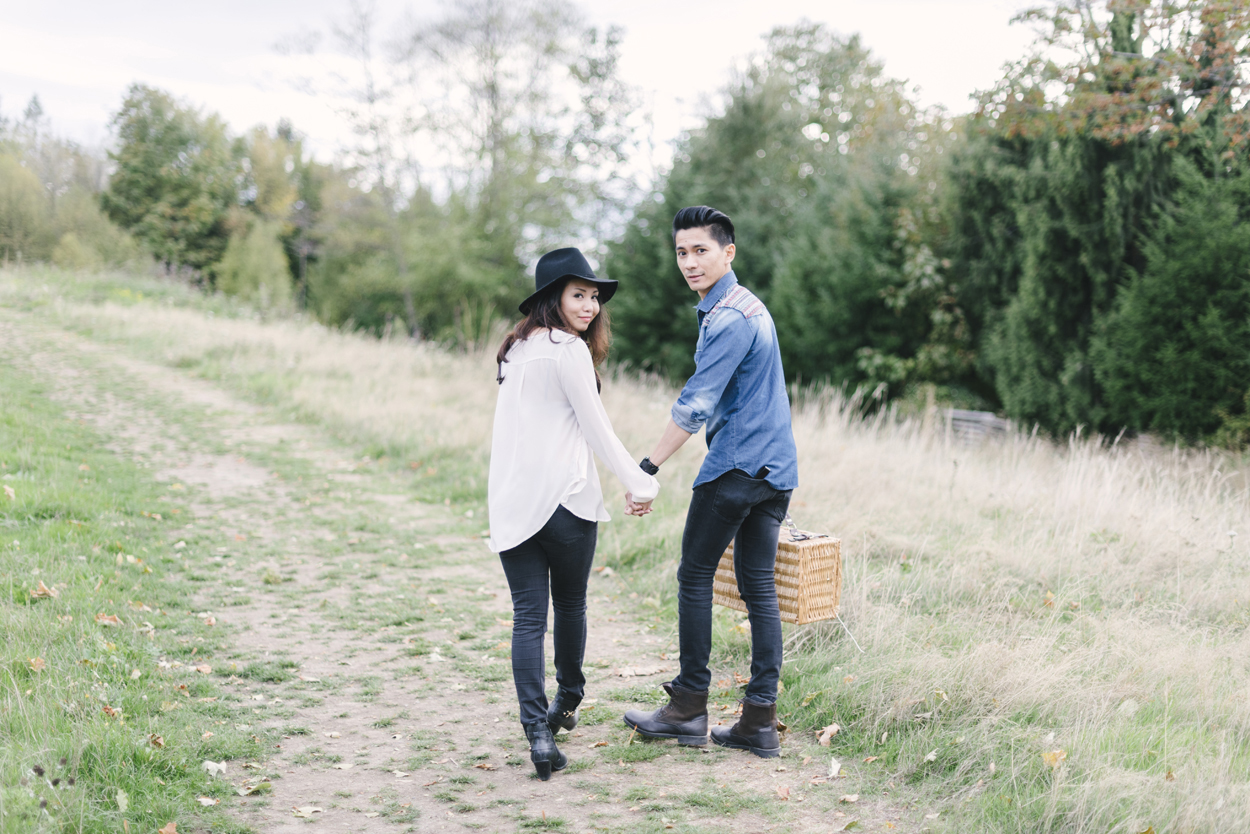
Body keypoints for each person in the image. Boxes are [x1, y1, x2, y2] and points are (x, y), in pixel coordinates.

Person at [622, 206, 798, 759]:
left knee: (694, 575)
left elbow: (695, 403)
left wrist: (645, 467)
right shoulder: (752, 308)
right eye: (681, 251)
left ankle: (688, 708)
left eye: (701, 250)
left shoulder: (727, 318)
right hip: (778, 469)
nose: (690, 262)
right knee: (758, 589)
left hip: (738, 467)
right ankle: (758, 722)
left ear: (729, 252)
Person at [489, 247, 660, 781]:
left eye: (593, 298)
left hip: (514, 503)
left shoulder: (513, 352)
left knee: (528, 618)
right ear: (552, 298)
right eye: (578, 295)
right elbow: (597, 428)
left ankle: (538, 734)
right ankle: (567, 699)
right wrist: (639, 482)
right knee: (570, 604)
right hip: (564, 502)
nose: (589, 307)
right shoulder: (568, 351)